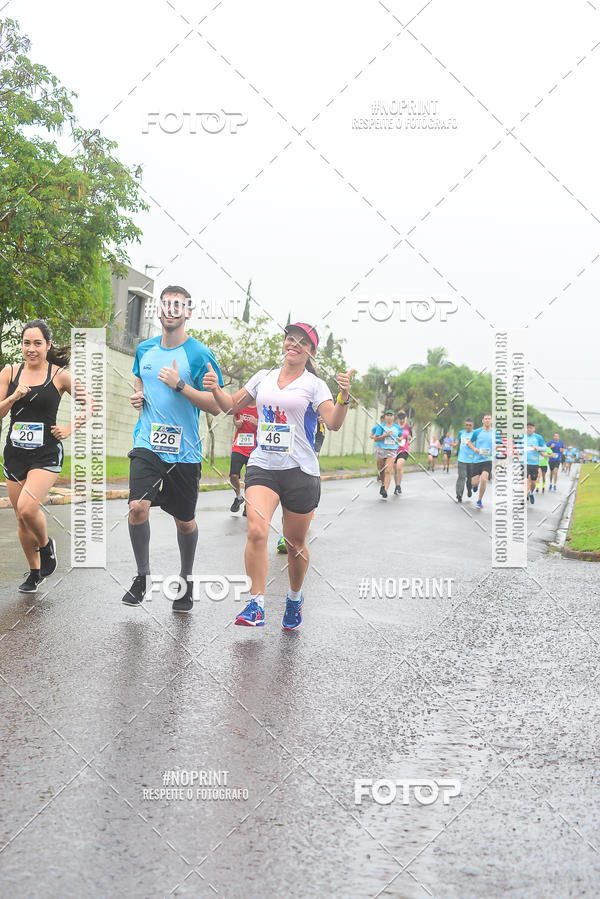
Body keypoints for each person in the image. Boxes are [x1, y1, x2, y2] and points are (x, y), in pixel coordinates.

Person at [203, 322, 354, 630]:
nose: (293, 344)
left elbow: (334, 423)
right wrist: (216, 389)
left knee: (295, 543)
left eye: (301, 342)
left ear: (310, 351)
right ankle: (256, 604)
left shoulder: (314, 385)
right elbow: (231, 407)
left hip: (300, 471)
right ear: (284, 343)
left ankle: (294, 597)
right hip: (263, 466)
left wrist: (344, 396)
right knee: (257, 530)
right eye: (290, 338)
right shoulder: (263, 378)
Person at [122, 286, 223, 613]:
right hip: (147, 442)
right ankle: (142, 576)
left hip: (185, 451)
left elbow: (216, 406)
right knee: (137, 507)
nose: (170, 310)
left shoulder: (199, 354)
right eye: (165, 305)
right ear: (159, 311)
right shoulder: (145, 349)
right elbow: (139, 379)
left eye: (177, 305)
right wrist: (138, 396)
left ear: (188, 312)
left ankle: (186, 578)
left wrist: (180, 385)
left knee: (184, 521)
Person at [0, 320, 93, 593]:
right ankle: (34, 571)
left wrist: (69, 427)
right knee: (20, 517)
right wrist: (13, 397)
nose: (31, 349)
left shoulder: (59, 375)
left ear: (48, 345)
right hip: (15, 454)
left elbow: (91, 403)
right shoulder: (9, 372)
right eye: (26, 343)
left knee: (29, 509)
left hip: (46, 453)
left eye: (37, 343)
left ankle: (46, 545)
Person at [229, 403, 258, 515]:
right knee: (233, 475)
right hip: (239, 446)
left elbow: (268, 423)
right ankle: (239, 497)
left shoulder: (260, 407)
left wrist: (257, 423)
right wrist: (236, 423)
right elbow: (234, 416)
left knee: (250, 479)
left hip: (254, 448)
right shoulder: (241, 405)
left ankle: (248, 503)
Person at [468, 414, 496, 509]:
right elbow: (469, 442)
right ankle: (474, 485)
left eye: (489, 419)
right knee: (474, 483)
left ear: (491, 421)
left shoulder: (495, 433)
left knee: (484, 479)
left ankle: (479, 500)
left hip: (488, 460)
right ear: (482, 421)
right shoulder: (477, 432)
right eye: (486, 419)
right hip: (477, 460)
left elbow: (500, 444)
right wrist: (475, 448)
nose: (487, 420)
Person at [372, 409, 400, 499]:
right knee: (381, 471)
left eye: (391, 415)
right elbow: (375, 439)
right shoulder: (380, 426)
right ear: (385, 417)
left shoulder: (397, 427)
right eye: (387, 415)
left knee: (388, 470)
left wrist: (400, 439)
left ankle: (385, 489)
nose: (389, 417)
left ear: (393, 417)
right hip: (381, 450)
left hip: (391, 451)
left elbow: (401, 436)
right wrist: (385, 435)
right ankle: (383, 484)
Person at [525, 422, 549, 504]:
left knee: (533, 482)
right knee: (524, 480)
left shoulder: (538, 437)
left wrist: (538, 448)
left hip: (534, 463)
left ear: (534, 429)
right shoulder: (522, 437)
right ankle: (523, 497)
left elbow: (545, 449)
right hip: (524, 462)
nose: (529, 429)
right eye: (527, 427)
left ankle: (531, 492)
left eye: (531, 428)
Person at [454, 417, 476, 502]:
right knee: (461, 477)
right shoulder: (461, 433)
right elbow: (458, 443)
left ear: (472, 425)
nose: (468, 427)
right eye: (467, 425)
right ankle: (459, 494)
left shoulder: (475, 434)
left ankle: (469, 489)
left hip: (472, 460)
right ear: (465, 425)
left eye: (470, 425)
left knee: (470, 478)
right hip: (461, 459)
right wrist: (454, 445)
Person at [393, 411, 412, 495]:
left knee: (399, 466)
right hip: (394, 450)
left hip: (404, 450)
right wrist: (397, 438)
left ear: (405, 418)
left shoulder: (408, 427)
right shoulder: (394, 427)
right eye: (400, 419)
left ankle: (398, 485)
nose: (402, 420)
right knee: (395, 470)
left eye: (403, 419)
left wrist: (409, 437)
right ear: (398, 419)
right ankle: (396, 486)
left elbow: (410, 437)